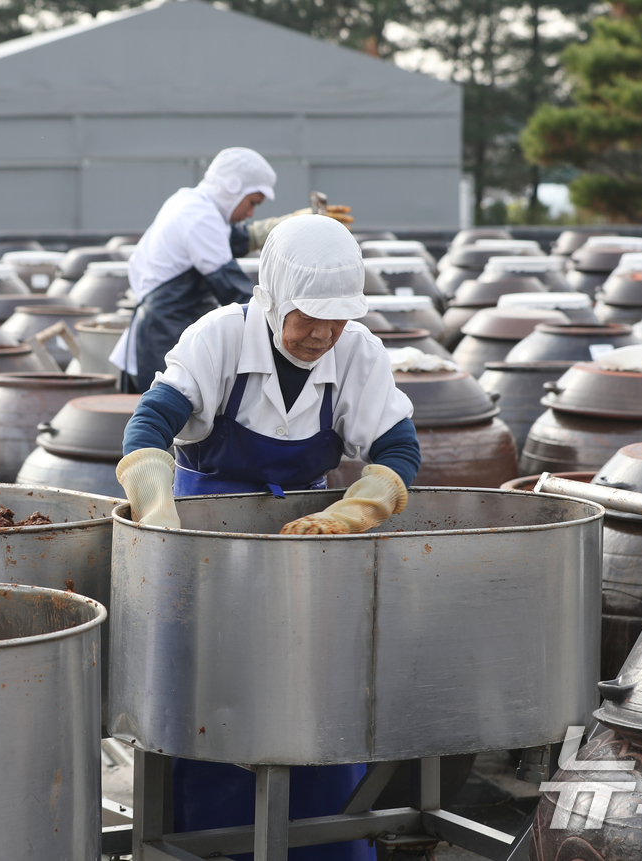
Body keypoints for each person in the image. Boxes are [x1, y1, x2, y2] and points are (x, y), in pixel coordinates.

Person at [113, 215, 420, 861]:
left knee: (310, 712)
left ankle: (324, 847)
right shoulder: (219, 339)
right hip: (206, 560)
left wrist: (358, 507)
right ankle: (207, 846)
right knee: (214, 715)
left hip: (305, 553)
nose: (322, 334)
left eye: (337, 319)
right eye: (309, 316)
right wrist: (155, 505)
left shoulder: (357, 350)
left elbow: (396, 444)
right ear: (274, 296)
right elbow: (150, 423)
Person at [110, 146, 354, 393]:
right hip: (165, 330)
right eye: (251, 203)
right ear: (232, 188)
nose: (249, 213)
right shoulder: (199, 218)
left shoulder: (189, 201)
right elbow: (230, 285)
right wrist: (286, 315)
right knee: (175, 400)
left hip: (169, 320)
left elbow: (233, 239)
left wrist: (291, 223)